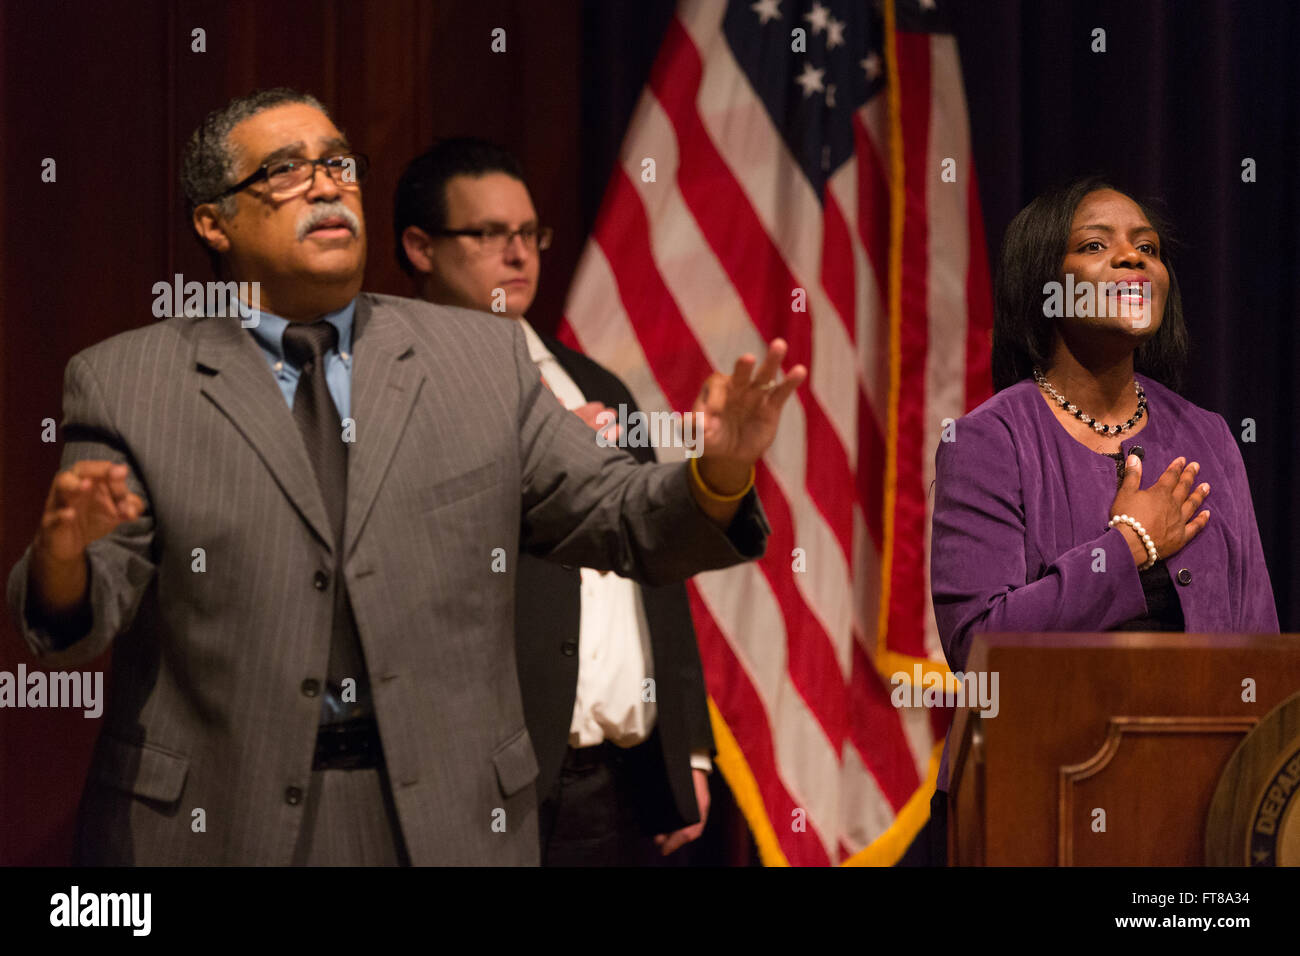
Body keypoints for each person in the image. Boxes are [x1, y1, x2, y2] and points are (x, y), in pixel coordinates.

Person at [6, 88, 805, 866]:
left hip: (442, 822)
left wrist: (720, 470)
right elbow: (80, 613)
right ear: (213, 221)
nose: (326, 185)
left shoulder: (480, 361)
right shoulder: (130, 383)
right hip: (220, 823)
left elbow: (619, 515)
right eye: (285, 171)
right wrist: (67, 561)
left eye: (339, 164)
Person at [927, 175, 1279, 863]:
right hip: (1040, 803)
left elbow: (1257, 648)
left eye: (1147, 247)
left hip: (1204, 810)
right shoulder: (989, 441)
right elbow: (980, 650)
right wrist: (1128, 548)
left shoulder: (1208, 438)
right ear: (1044, 285)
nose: (1133, 258)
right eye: (1097, 244)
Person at [394, 139, 715, 865]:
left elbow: (658, 569)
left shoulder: (592, 383)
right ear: (420, 246)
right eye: (489, 234)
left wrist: (689, 747)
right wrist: (525, 462)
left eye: (529, 234)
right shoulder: (387, 392)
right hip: (475, 790)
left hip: (618, 790)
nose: (519, 254)